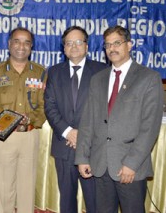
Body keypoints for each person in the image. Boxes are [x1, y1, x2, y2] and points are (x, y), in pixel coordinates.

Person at [75, 25, 164, 213]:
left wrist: (131, 163)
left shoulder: (148, 78)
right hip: (100, 165)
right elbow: (87, 122)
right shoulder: (98, 79)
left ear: (129, 45)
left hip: (129, 167)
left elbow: (150, 127)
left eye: (117, 43)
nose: (111, 49)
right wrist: (82, 157)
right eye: (107, 45)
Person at [44, 26, 107, 213]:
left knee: (95, 202)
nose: (74, 46)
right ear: (64, 48)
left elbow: (105, 109)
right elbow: (50, 106)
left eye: (78, 42)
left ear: (87, 46)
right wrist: (68, 132)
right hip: (64, 147)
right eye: (69, 43)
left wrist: (83, 136)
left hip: (92, 149)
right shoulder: (54, 72)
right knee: (67, 202)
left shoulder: (102, 70)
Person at [0, 27, 46, 213]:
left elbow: (46, 106)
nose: (22, 46)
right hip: (5, 137)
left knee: (27, 189)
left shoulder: (41, 73)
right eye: (17, 41)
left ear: (32, 46)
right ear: (9, 44)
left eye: (27, 42)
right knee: (4, 189)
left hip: (30, 135)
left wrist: (32, 118)